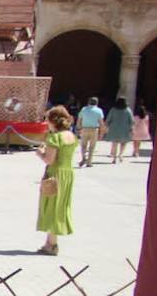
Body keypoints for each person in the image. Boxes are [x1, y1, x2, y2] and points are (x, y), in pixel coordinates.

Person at [36, 105, 77, 255]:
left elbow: (49, 160)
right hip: (67, 174)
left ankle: (52, 244)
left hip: (55, 174)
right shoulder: (72, 136)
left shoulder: (55, 137)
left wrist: (40, 153)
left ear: (53, 121)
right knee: (60, 206)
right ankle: (50, 242)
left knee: (51, 207)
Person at [76, 96, 105, 166]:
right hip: (94, 129)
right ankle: (89, 162)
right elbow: (101, 122)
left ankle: (83, 157)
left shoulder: (84, 109)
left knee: (83, 145)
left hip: (85, 128)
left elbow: (79, 119)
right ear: (97, 103)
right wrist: (102, 132)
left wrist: (78, 128)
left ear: (89, 102)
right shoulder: (99, 110)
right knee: (92, 146)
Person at [104, 97, 134, 164]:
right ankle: (121, 154)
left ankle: (114, 158)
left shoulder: (113, 109)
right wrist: (131, 128)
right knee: (123, 142)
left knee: (115, 143)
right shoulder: (128, 110)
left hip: (114, 128)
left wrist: (106, 126)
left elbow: (109, 119)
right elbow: (131, 120)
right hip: (125, 129)